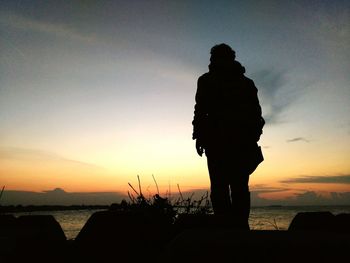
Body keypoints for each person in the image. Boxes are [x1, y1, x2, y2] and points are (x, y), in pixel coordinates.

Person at [192, 43, 265, 229]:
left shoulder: (244, 84)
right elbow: (200, 111)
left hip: (236, 143)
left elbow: (256, 115)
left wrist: (253, 137)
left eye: (214, 58)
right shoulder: (208, 81)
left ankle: (236, 230)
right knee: (224, 188)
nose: (212, 61)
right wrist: (199, 136)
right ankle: (230, 231)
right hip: (218, 143)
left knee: (234, 188)